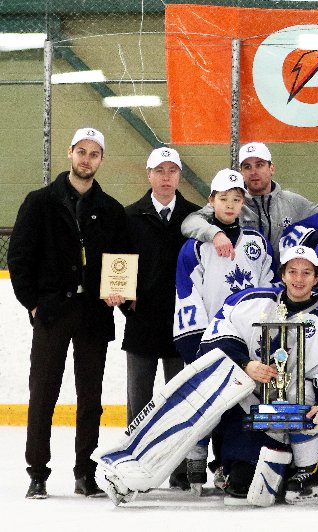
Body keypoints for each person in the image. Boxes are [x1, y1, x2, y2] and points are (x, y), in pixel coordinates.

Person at [8, 127, 127, 499]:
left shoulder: (111, 210)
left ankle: (85, 472)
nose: (86, 159)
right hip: (53, 312)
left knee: (90, 398)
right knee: (43, 393)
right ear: (70, 153)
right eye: (82, 151)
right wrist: (33, 302)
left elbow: (121, 260)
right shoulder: (39, 202)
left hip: (94, 314)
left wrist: (119, 293)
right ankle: (37, 472)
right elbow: (19, 258)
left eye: (94, 153)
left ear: (101, 160)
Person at [195, 245, 318, 502]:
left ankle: (309, 468)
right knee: (242, 481)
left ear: (316, 278)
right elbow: (218, 335)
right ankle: (228, 463)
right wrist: (245, 364)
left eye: (306, 273)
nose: (299, 278)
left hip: (293, 411)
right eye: (292, 271)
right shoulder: (251, 302)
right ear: (283, 274)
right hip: (249, 408)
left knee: (303, 393)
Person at [173, 169, 277, 492]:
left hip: (249, 343)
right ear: (211, 201)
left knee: (240, 403)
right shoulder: (194, 248)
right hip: (210, 339)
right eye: (223, 199)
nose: (230, 205)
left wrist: (265, 341)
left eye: (236, 199)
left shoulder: (257, 243)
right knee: (207, 403)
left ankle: (228, 464)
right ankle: (196, 462)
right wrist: (196, 344)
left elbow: (269, 290)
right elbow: (187, 296)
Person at [121, 147, 201, 489]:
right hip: (142, 324)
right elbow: (118, 265)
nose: (166, 177)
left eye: (172, 171)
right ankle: (134, 467)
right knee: (139, 402)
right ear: (149, 174)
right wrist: (127, 304)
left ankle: (180, 470)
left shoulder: (194, 217)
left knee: (180, 400)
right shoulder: (129, 216)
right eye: (160, 171)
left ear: (179, 176)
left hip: (183, 325)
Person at [181, 141, 318, 265]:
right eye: (247, 167)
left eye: (259, 165)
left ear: (271, 168)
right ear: (241, 172)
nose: (253, 172)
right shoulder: (233, 204)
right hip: (246, 278)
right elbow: (190, 222)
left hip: (284, 281)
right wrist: (215, 234)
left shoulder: (292, 202)